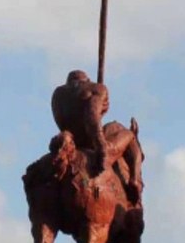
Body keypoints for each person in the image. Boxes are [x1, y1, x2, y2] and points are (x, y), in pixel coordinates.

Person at [49, 70, 142, 200]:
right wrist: (101, 148)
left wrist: (101, 112)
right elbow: (91, 120)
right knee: (129, 134)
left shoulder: (57, 94)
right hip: (92, 143)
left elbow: (73, 119)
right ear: (86, 81)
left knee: (113, 127)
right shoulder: (96, 89)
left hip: (73, 141)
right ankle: (134, 180)